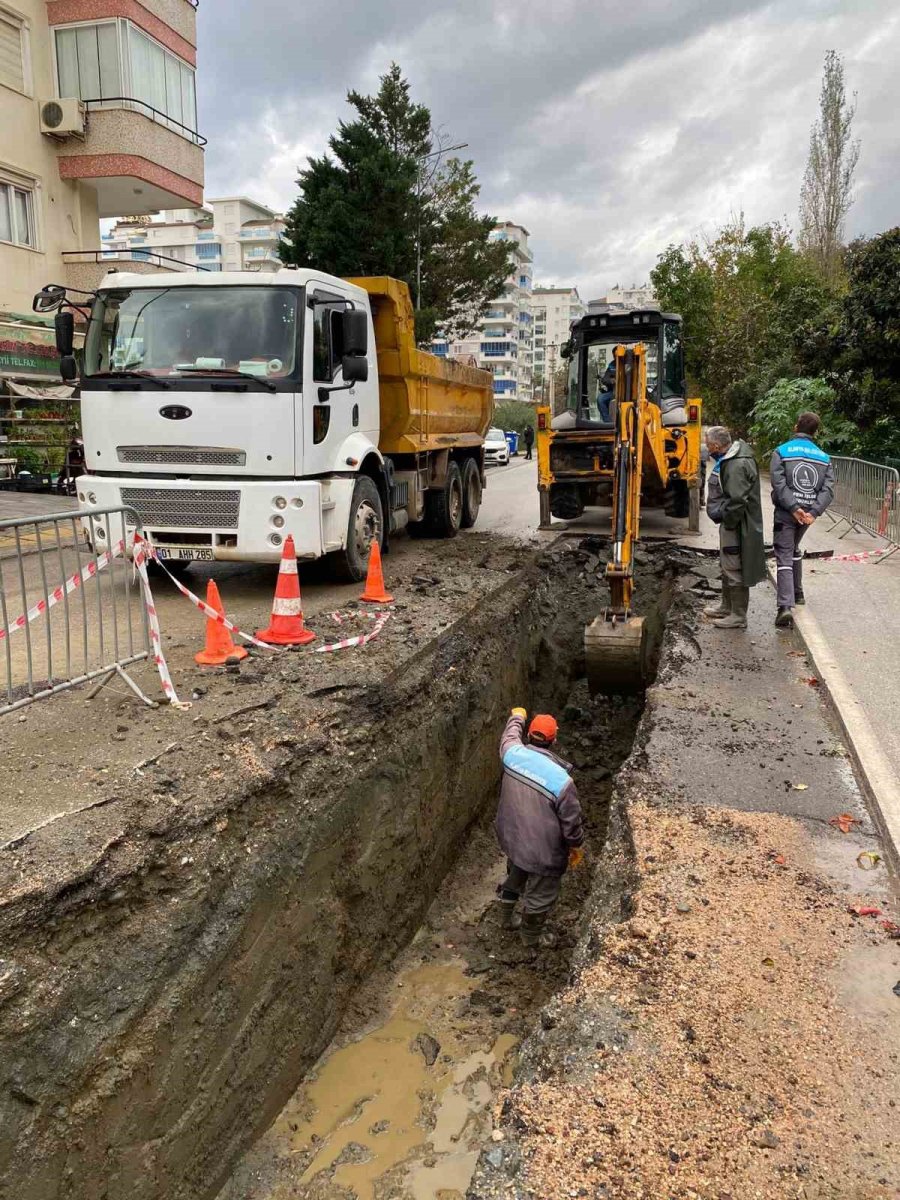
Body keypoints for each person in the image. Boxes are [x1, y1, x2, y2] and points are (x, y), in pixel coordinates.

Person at [495, 707, 585, 949]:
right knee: (540, 894)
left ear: (529, 735)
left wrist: (517, 716)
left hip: (513, 838)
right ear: (554, 740)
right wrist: (576, 846)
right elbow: (571, 823)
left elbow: (509, 734)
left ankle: (505, 919)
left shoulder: (512, 754)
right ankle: (530, 937)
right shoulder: (562, 782)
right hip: (543, 851)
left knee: (515, 875)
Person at [770, 411, 835, 628]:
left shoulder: (781, 451)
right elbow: (828, 490)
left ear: (796, 427)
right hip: (807, 515)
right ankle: (797, 593)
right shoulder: (824, 458)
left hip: (786, 512)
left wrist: (793, 507)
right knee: (794, 548)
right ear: (815, 432)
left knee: (784, 554)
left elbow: (779, 484)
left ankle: (785, 607)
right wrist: (813, 512)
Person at [703, 426, 766, 629]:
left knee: (733, 565)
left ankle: (738, 615)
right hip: (737, 522)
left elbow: (737, 499)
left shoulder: (736, 464)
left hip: (738, 524)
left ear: (716, 445)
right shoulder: (733, 458)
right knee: (727, 563)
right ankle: (726, 606)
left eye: (708, 444)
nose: (707, 448)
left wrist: (728, 522)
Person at [597, 357, 616, 423]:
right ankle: (608, 422)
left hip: (624, 393)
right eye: (613, 354)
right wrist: (611, 381)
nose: (614, 355)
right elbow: (605, 379)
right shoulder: (612, 365)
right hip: (613, 392)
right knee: (601, 399)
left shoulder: (629, 363)